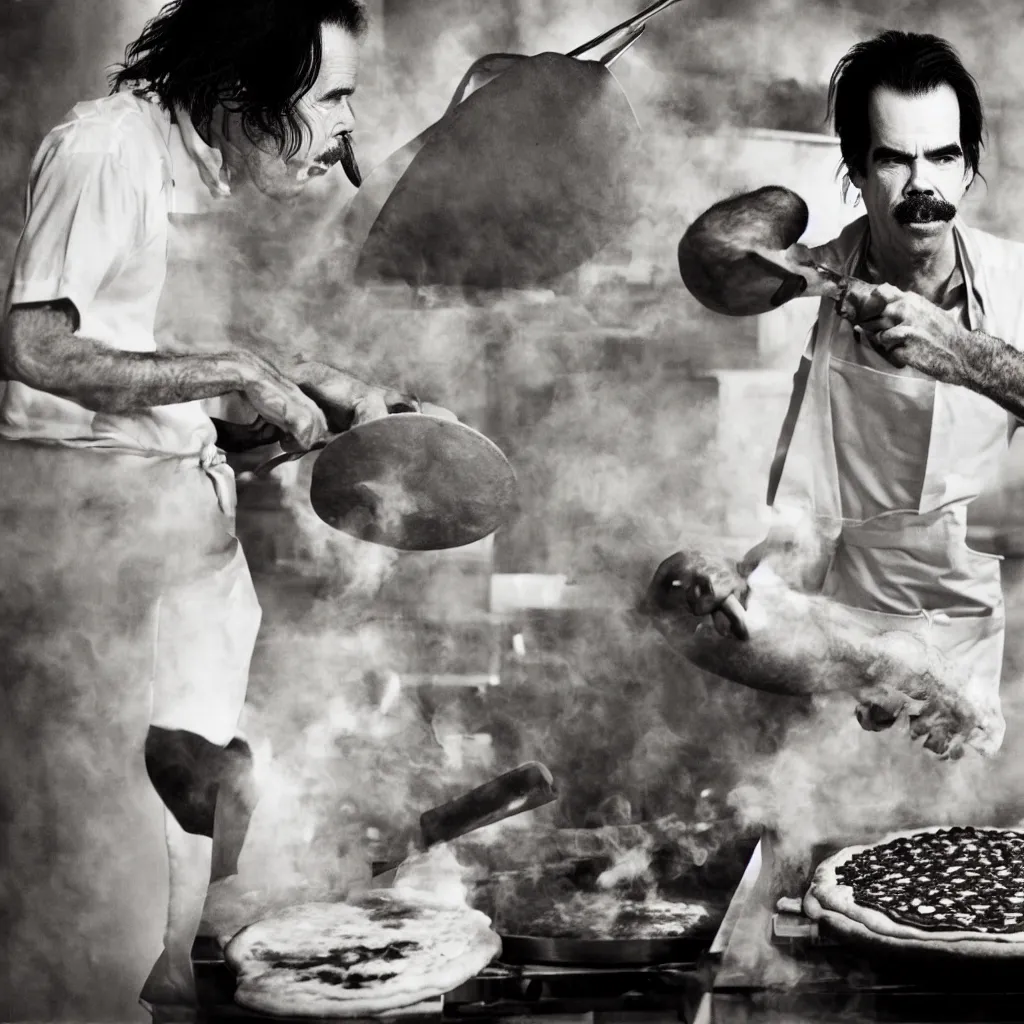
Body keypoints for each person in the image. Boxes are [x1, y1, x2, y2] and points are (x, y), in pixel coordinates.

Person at [0, 0, 452, 1018]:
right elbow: (35, 349)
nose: (347, 128)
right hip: (89, 545)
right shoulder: (108, 148)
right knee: (96, 873)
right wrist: (240, 368)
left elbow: (151, 352)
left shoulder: (204, 165)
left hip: (177, 533)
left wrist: (299, 391)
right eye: (332, 97)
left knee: (176, 854)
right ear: (247, 93)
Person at [649, 31, 1024, 755]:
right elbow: (803, 524)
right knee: (670, 598)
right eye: (895, 158)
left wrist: (968, 356)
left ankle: (923, 678)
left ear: (970, 165)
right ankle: (887, 662)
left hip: (967, 667)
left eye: (945, 157)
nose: (925, 185)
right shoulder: (816, 284)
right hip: (833, 649)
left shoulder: (1017, 282)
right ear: (855, 168)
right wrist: (731, 575)